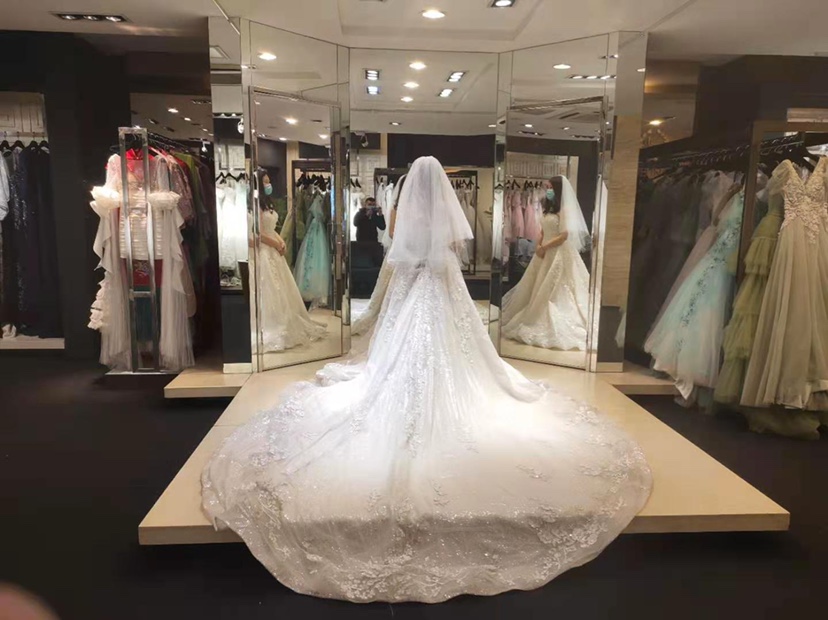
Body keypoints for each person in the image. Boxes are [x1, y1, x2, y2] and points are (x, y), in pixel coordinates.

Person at [202, 156, 651, 604]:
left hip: (413, 284)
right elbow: (452, 247)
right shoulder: (445, 214)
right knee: (458, 344)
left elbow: (399, 246)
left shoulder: (403, 212)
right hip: (441, 283)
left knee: (400, 343)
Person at [501, 175, 592, 351]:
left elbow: (564, 235)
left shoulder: (565, 210)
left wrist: (545, 247)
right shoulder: (549, 207)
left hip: (558, 252)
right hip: (544, 251)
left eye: (550, 187)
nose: (547, 190)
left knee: (557, 287)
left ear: (558, 189)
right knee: (538, 284)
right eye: (547, 187)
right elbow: (543, 230)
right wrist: (538, 245)